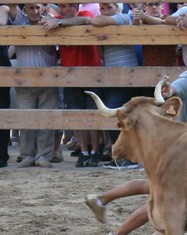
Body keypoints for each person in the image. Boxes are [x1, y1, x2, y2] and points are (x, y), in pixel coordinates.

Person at [86, 37, 187, 235]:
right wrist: (168, 92)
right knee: (161, 200)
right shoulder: (186, 82)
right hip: (173, 149)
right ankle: (117, 234)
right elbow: (173, 91)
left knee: (152, 188)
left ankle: (101, 200)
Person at [41, 3, 103, 168]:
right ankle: (84, 152)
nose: (62, 9)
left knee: (92, 114)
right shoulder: (58, 19)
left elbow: (86, 20)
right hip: (70, 76)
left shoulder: (85, 12)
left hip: (91, 73)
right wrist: (48, 17)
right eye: (62, 6)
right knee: (77, 116)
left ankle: (95, 151)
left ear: (75, 7)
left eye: (67, 6)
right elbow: (45, 20)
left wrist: (59, 23)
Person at [8, 3, 59, 168]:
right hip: (25, 81)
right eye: (31, 8)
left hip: (48, 79)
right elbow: (12, 5)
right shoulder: (20, 21)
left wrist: (50, 20)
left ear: (43, 7)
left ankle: (43, 156)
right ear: (26, 10)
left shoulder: (51, 21)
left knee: (46, 119)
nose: (35, 11)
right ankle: (27, 155)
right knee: (26, 119)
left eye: (37, 7)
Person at [91, 2, 140, 170]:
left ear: (117, 8)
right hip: (111, 75)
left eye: (108, 7)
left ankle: (129, 158)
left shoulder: (124, 17)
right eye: (102, 8)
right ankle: (121, 156)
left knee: (116, 114)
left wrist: (101, 20)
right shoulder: (112, 21)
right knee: (114, 116)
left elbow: (96, 22)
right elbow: (102, 53)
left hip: (126, 75)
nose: (105, 11)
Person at [132, 1, 178, 74]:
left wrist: (144, 16)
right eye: (150, 4)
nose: (154, 7)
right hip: (149, 69)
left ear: (162, 6)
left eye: (157, 4)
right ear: (145, 7)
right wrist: (136, 16)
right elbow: (136, 26)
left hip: (170, 69)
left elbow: (163, 22)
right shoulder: (143, 21)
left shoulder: (168, 18)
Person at [0, 5, 11, 168]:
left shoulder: (3, 7)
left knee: (2, 111)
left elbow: (2, 22)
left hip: (1, 63)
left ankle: (2, 155)